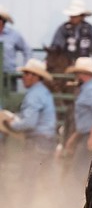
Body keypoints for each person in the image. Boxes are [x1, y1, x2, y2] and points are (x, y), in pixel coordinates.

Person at [1, 59, 57, 189]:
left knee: (28, 179)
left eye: (26, 74)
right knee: (47, 179)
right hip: (46, 140)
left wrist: (10, 125)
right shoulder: (42, 91)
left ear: (35, 76)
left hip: (37, 141)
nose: (23, 77)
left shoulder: (34, 95)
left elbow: (29, 123)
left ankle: (24, 207)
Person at [64, 57, 92, 187]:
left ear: (82, 74)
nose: (76, 76)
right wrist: (75, 137)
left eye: (77, 73)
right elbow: (89, 118)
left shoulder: (91, 89)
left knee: (81, 170)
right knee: (85, 169)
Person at [50, 0, 92, 67]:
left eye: (75, 16)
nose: (72, 18)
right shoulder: (64, 28)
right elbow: (56, 46)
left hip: (84, 65)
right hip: (66, 65)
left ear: (82, 16)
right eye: (71, 16)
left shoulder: (89, 29)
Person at [0, 5, 32, 90]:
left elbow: (27, 50)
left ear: (2, 21)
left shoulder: (13, 34)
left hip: (8, 76)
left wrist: (26, 68)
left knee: (8, 101)